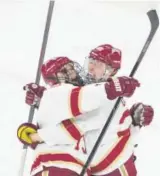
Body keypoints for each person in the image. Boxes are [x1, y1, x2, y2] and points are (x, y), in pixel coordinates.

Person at [17, 55, 140, 176]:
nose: (72, 73)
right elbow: (83, 98)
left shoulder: (69, 106)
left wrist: (35, 136)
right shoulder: (55, 93)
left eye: (72, 68)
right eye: (65, 71)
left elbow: (81, 125)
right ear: (53, 78)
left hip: (75, 169)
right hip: (55, 166)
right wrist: (110, 89)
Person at [82, 44, 154, 176]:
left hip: (116, 167)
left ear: (111, 71)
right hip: (94, 168)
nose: (90, 67)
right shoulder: (91, 91)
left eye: (98, 64)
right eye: (90, 62)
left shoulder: (110, 95)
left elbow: (115, 129)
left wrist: (135, 120)